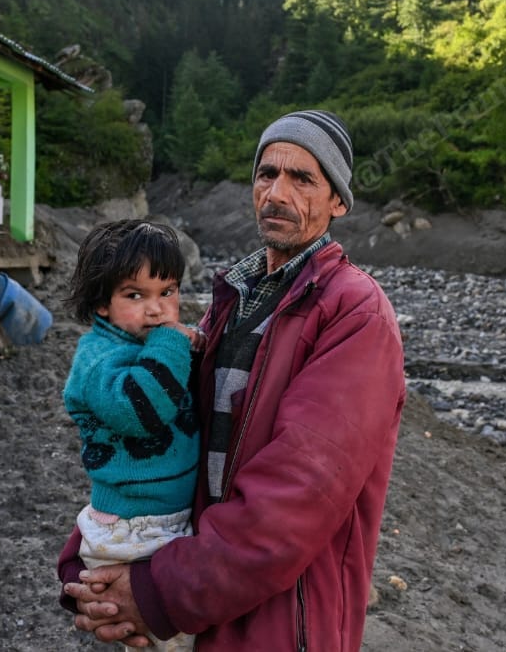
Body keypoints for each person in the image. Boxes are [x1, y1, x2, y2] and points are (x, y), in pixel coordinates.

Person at [58, 110, 406, 651]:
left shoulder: (353, 311)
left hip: (289, 611)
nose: (276, 192)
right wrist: (93, 559)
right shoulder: (236, 299)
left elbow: (297, 495)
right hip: (207, 587)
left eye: (302, 178)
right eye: (266, 174)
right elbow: (169, 437)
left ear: (338, 200)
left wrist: (157, 591)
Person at [62, 219, 205, 652]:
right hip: (133, 533)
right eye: (135, 295)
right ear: (102, 303)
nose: (157, 310)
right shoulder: (97, 359)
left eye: (168, 291)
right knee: (163, 641)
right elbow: (141, 409)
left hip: (165, 522)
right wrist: (174, 344)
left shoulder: (143, 343)